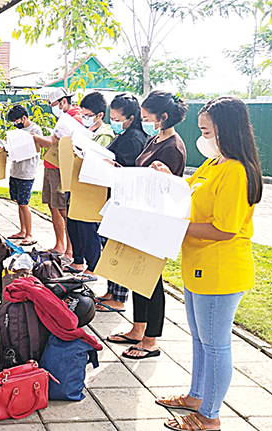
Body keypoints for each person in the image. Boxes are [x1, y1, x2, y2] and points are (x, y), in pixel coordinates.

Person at [154, 96, 263, 431]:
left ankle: (209, 416)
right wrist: (166, 179)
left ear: (226, 131)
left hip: (220, 271)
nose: (202, 137)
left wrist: (176, 227)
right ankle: (196, 396)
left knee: (216, 346)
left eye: (206, 131)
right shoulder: (214, 164)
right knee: (201, 340)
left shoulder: (236, 171)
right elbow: (189, 191)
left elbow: (225, 229)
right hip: (198, 266)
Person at [105, 91, 188, 360]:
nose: (144, 121)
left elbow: (170, 186)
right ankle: (137, 329)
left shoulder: (173, 146)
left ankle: (151, 340)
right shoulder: (156, 138)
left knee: (151, 280)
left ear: (163, 117)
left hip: (157, 221)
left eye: (147, 116)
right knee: (138, 277)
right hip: (141, 217)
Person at [95, 93, 147, 313]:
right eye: (112, 118)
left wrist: (110, 165)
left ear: (131, 118)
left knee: (119, 249)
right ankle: (111, 290)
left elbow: (130, 170)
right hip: (115, 198)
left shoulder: (135, 137)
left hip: (125, 201)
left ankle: (119, 297)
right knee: (109, 246)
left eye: (117, 119)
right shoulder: (126, 134)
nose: (114, 122)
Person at [66, 92, 115, 275]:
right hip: (78, 183)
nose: (84, 119)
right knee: (73, 224)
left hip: (92, 189)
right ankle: (78, 260)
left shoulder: (105, 134)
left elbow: (100, 158)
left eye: (88, 116)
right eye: (83, 115)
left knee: (88, 229)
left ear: (100, 115)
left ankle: (93, 267)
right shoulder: (85, 131)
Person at [32, 87, 83, 262]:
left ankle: (70, 250)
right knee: (54, 207)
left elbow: (55, 142)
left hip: (61, 169)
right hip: (52, 165)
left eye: (54, 104)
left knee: (64, 209)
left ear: (63, 101)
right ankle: (60, 245)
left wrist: (36, 139)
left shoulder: (74, 117)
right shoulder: (64, 117)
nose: (54, 108)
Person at [5, 105, 42, 246]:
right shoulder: (16, 131)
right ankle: (22, 230)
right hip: (16, 170)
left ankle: (29, 234)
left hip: (27, 172)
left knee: (24, 203)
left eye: (16, 121)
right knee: (19, 203)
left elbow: (34, 150)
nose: (15, 124)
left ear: (24, 118)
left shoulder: (35, 130)